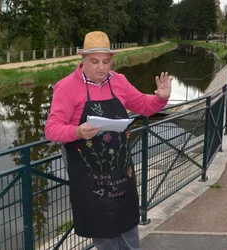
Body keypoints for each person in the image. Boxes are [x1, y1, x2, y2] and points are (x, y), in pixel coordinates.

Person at [44, 31, 172, 250]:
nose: (101, 68)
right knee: (105, 239)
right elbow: (51, 129)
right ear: (82, 60)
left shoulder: (119, 81)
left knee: (130, 232)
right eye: (94, 62)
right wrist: (77, 132)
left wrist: (160, 98)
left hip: (121, 174)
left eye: (106, 62)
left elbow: (143, 105)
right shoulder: (66, 87)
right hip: (90, 181)